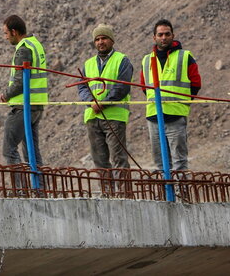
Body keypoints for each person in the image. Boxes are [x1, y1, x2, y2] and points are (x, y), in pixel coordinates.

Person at [140, 19, 201, 171]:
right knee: (160, 163)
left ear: (173, 35)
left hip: (175, 116)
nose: (164, 37)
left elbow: (195, 83)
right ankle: (166, 195)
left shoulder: (184, 56)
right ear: (154, 37)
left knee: (179, 162)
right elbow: (143, 86)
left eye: (167, 34)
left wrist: (181, 102)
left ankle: (181, 194)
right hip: (153, 116)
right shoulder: (147, 60)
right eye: (160, 34)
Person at [77, 24, 133, 169]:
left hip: (114, 116)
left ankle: (123, 192)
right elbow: (82, 87)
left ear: (112, 40)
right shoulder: (88, 64)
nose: (101, 42)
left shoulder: (122, 60)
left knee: (118, 158)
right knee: (99, 161)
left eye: (104, 38)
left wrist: (103, 103)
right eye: (97, 39)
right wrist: (91, 102)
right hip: (93, 116)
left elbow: (122, 86)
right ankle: (107, 191)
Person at [0, 15, 48, 167]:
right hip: (36, 104)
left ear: (14, 32)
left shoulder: (23, 49)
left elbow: (20, 82)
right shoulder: (35, 44)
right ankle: (38, 188)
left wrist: (6, 95)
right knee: (31, 152)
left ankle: (21, 189)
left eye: (6, 33)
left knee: (9, 149)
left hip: (23, 105)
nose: (5, 37)